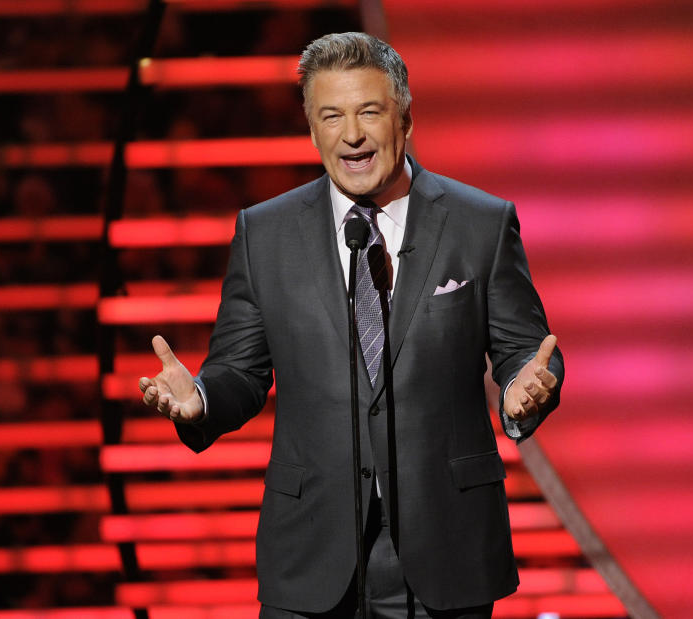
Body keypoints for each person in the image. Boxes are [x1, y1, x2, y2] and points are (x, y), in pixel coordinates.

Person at [139, 32, 563, 619]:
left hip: (446, 545)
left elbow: (524, 349)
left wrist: (524, 391)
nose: (352, 135)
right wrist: (203, 400)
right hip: (311, 548)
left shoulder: (479, 224)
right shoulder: (266, 234)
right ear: (313, 130)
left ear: (405, 119)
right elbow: (241, 368)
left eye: (369, 112)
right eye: (331, 116)